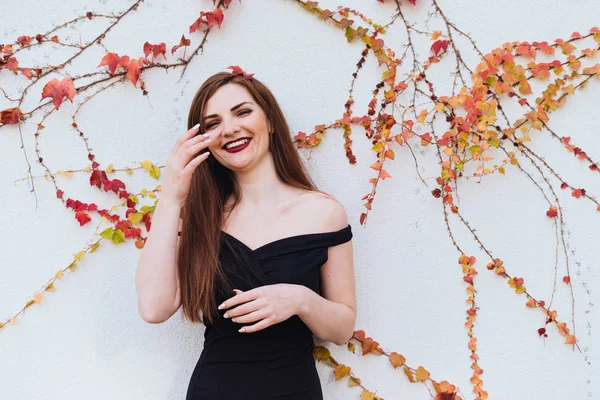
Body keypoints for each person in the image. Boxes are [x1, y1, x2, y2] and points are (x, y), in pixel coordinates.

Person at [135, 67, 356, 399]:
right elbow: (154, 308)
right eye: (213, 124)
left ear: (268, 120)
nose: (230, 129)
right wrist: (170, 198)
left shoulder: (323, 213)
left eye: (242, 112)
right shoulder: (198, 219)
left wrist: (300, 300)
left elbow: (342, 329)